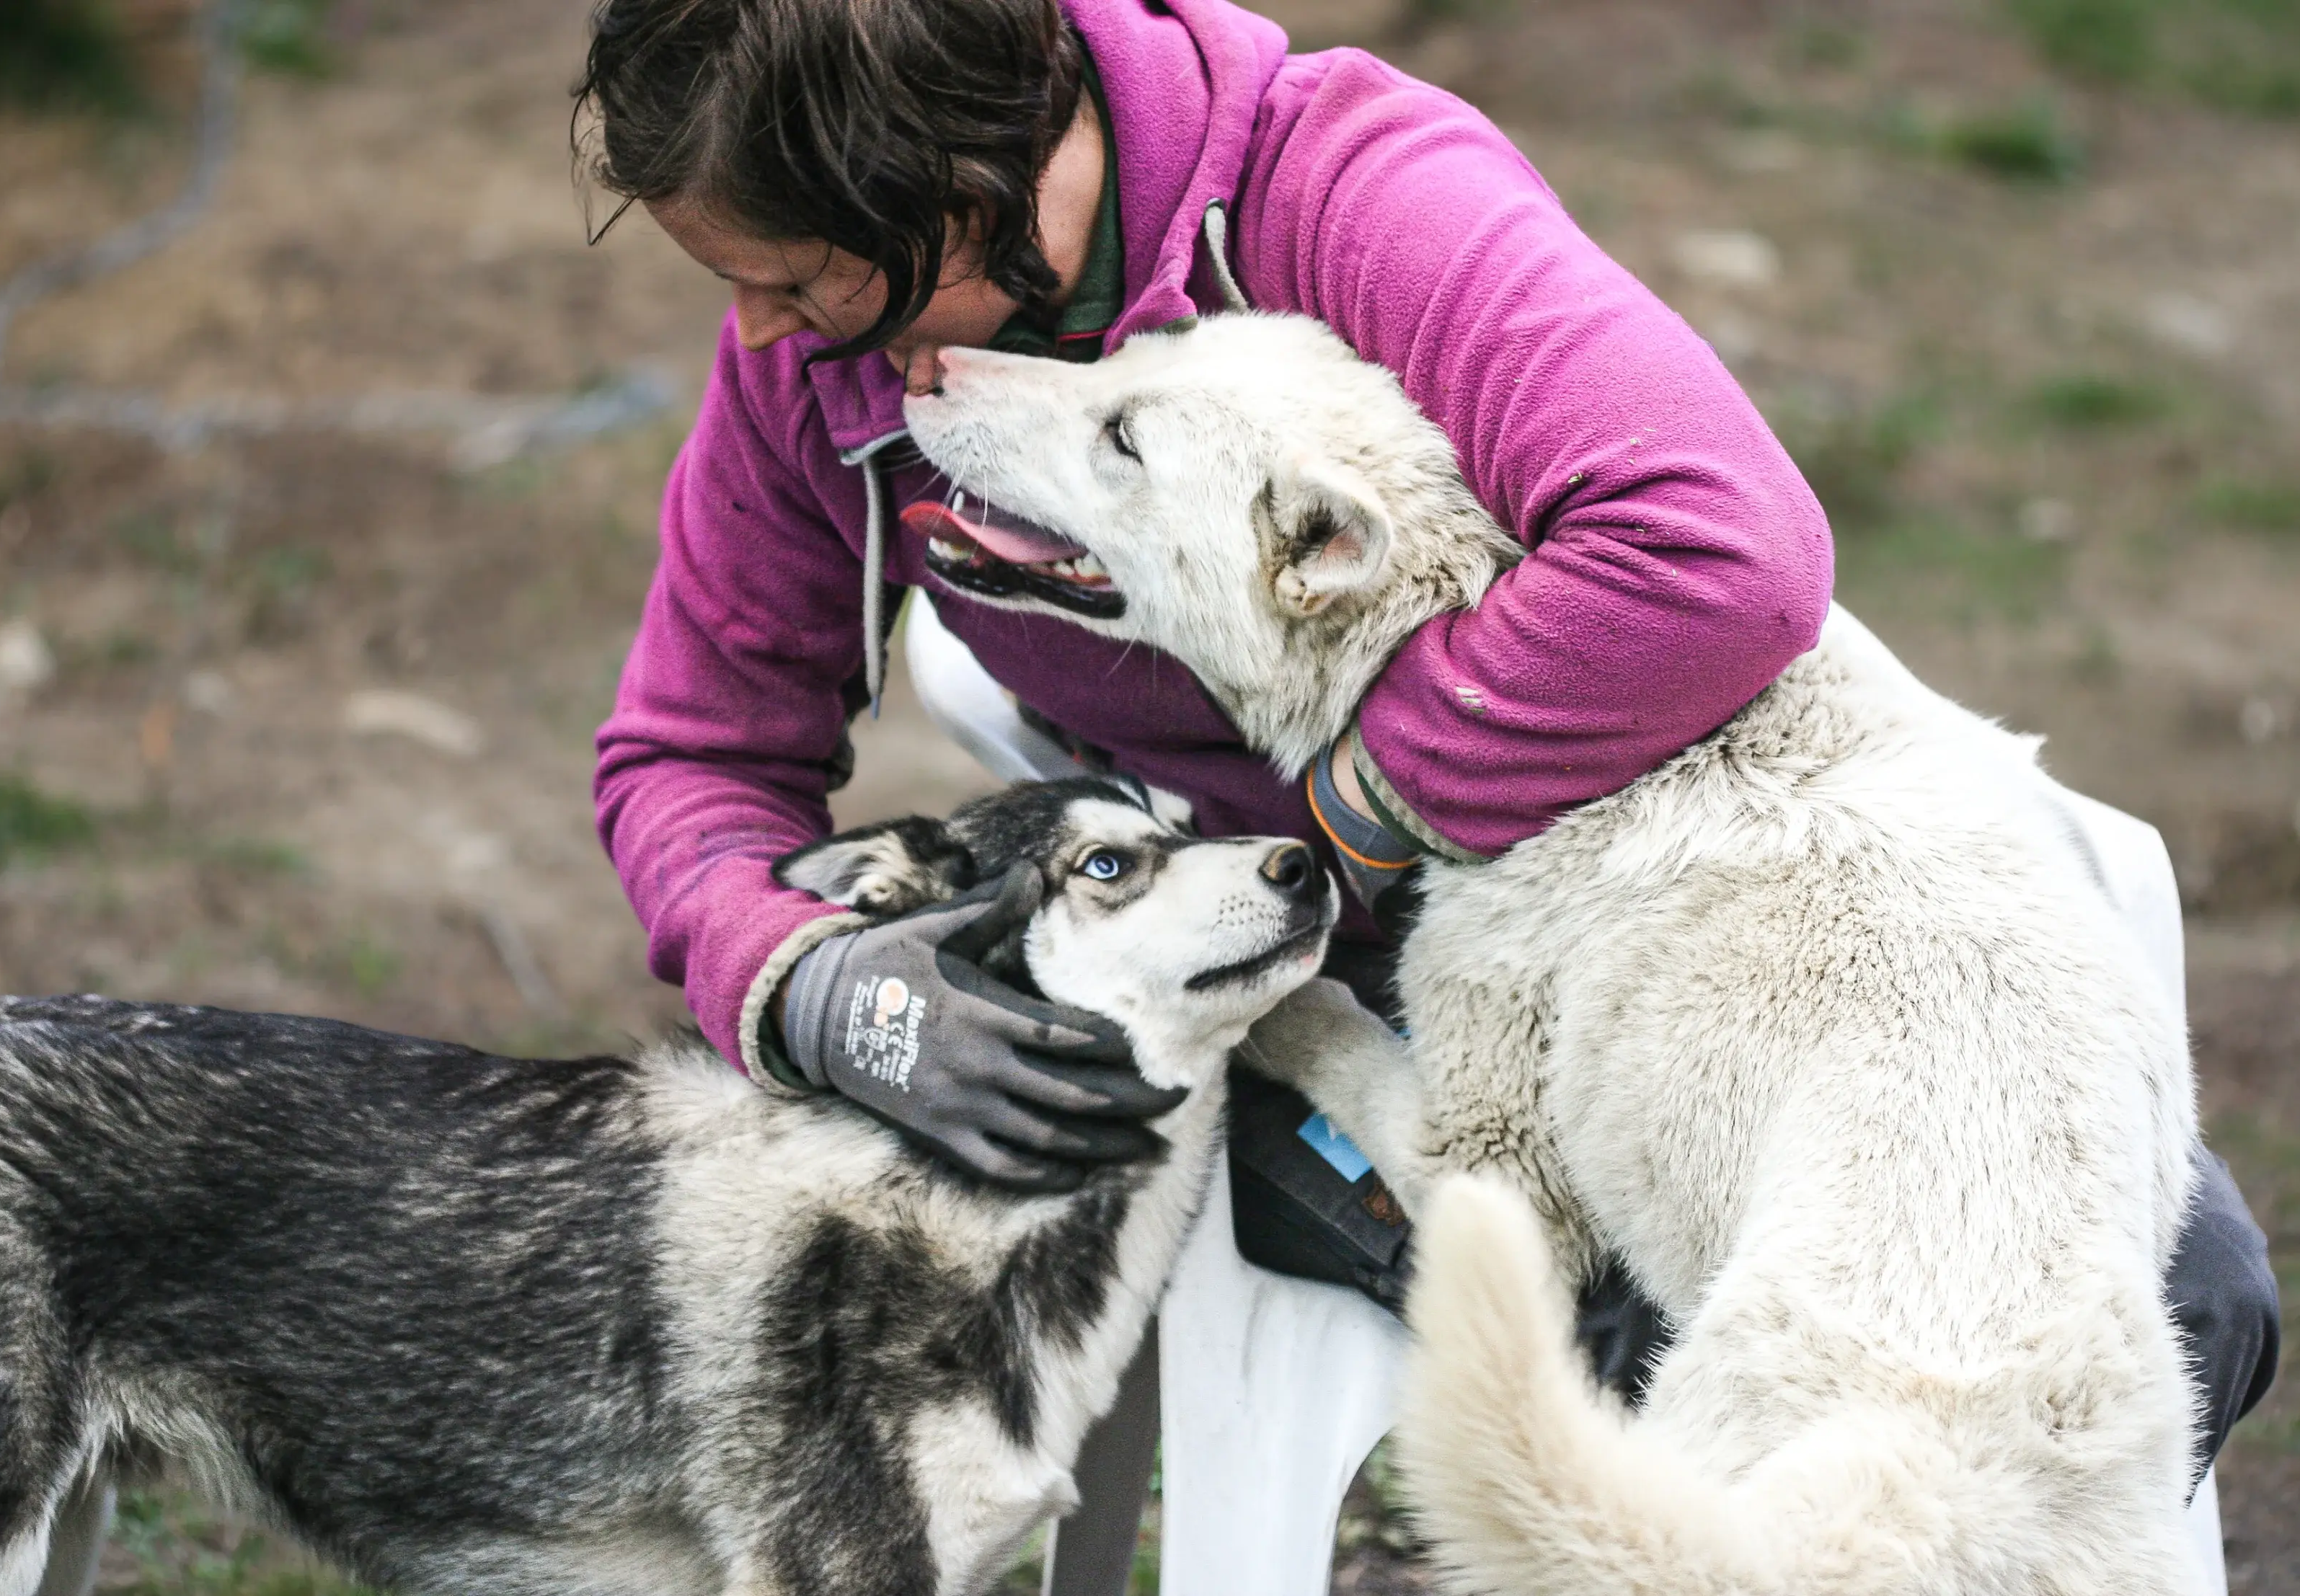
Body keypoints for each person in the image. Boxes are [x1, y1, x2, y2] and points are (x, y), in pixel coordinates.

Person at [575, 0, 2275, 1579]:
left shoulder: (1357, 192)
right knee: (1625, 1361)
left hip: (1622, 864)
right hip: (1276, 931)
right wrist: (813, 986)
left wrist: (1372, 796)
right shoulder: (824, 377)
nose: (764, 336)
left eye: (806, 281)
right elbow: (688, 752)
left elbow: (1720, 558)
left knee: (2183, 1309)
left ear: (959, 188)